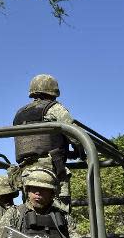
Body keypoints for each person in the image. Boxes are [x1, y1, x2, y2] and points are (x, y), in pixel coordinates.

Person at [11, 74, 81, 207]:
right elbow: (76, 135)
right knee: (60, 213)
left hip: (26, 172)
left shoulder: (19, 114)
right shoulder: (54, 108)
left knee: (31, 213)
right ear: (54, 91)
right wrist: (80, 152)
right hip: (51, 169)